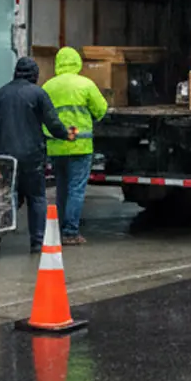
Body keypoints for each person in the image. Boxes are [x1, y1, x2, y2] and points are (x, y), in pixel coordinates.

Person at [0, 57, 73, 254]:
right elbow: (53, 123)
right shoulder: (38, 94)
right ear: (35, 75)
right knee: (37, 197)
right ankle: (37, 242)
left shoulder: (3, 92)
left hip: (6, 155)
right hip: (32, 155)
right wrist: (66, 135)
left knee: (7, 196)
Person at [43, 47, 109, 246]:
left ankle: (61, 227)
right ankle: (70, 232)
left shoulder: (48, 86)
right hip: (80, 146)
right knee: (77, 189)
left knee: (62, 188)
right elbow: (101, 109)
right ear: (77, 62)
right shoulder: (85, 84)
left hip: (56, 147)